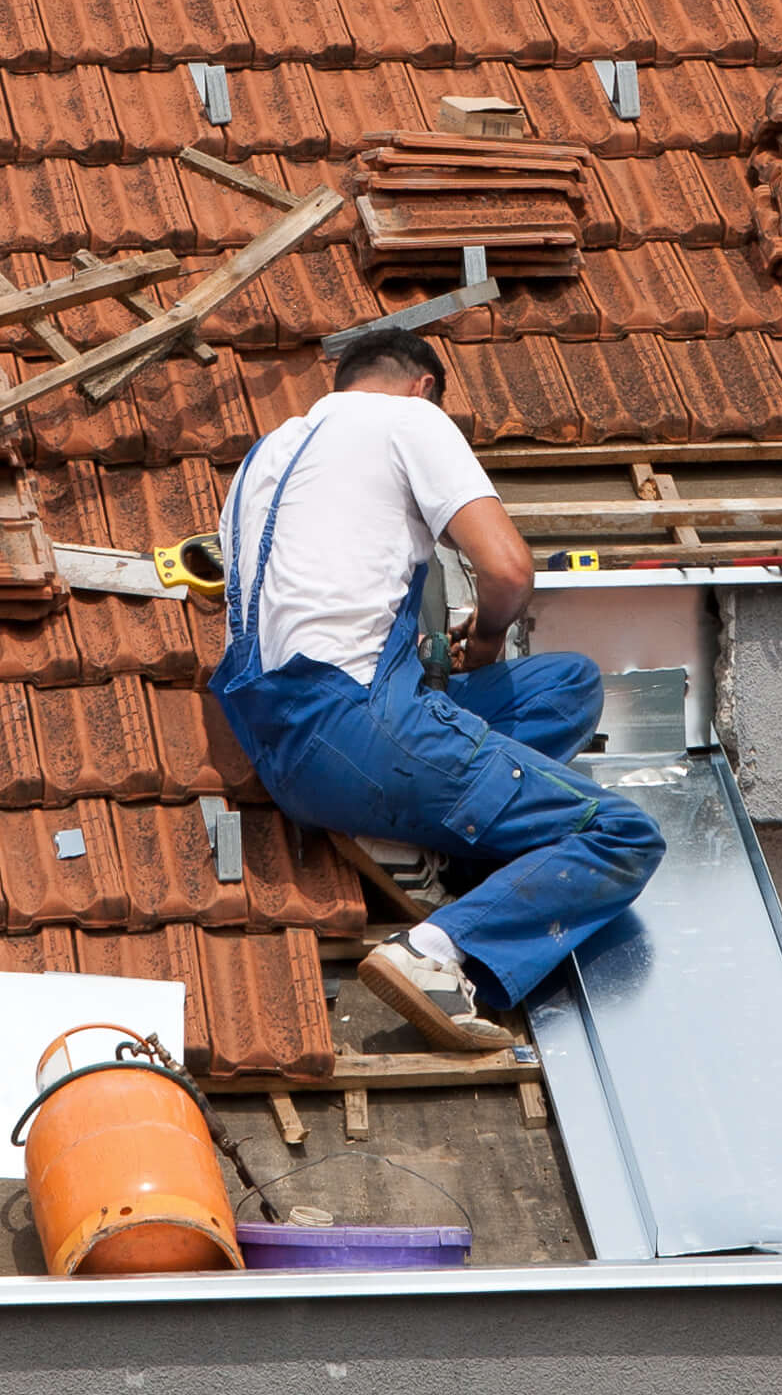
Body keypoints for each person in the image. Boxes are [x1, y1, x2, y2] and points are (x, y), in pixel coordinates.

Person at [205, 330, 665, 1051]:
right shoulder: (411, 419)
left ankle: (406, 833)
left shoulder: (266, 453)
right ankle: (436, 953)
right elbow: (508, 571)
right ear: (423, 386)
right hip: (362, 728)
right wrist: (482, 640)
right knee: (621, 833)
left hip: (278, 734)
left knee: (565, 685)